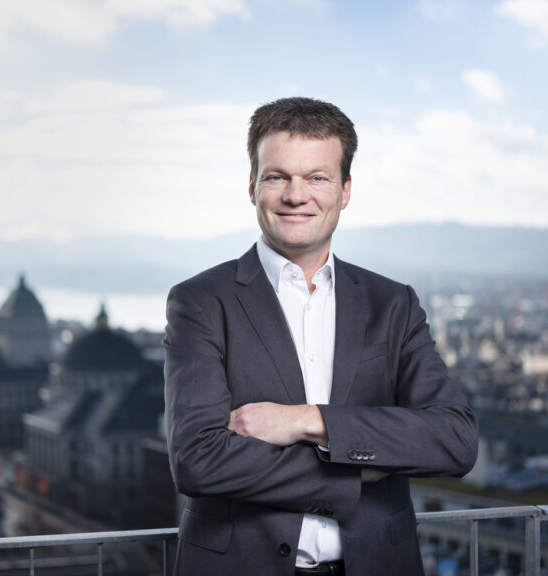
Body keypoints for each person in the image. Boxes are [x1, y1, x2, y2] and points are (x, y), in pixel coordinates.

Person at [163, 97, 478, 576]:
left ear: (345, 190)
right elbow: (198, 460)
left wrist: (307, 421)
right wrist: (358, 469)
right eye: (277, 177)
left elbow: (454, 440)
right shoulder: (201, 301)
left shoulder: (392, 304)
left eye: (317, 177)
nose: (296, 195)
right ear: (252, 188)